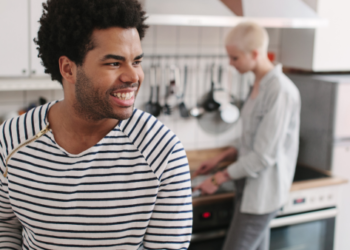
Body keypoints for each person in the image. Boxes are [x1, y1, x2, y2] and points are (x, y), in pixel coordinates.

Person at [0, 0, 192, 249]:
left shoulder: (162, 151)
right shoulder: (12, 139)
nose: (133, 76)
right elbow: (5, 224)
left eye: (136, 61)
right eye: (114, 63)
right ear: (68, 69)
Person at [193, 22, 301, 250]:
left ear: (254, 53)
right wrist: (221, 157)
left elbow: (263, 155)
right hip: (248, 187)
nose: (230, 64)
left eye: (235, 58)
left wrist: (217, 178)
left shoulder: (280, 91)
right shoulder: (258, 84)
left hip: (262, 194)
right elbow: (252, 138)